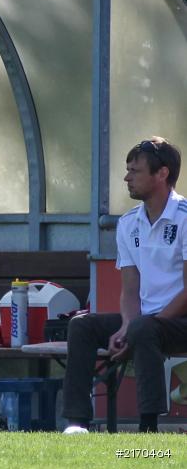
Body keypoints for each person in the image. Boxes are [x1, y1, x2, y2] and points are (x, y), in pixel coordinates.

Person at [62, 137, 187, 434]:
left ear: (162, 174)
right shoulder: (128, 223)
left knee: (144, 329)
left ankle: (148, 428)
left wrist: (139, 326)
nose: (126, 177)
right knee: (81, 326)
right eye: (127, 170)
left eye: (135, 171)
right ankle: (77, 423)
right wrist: (125, 325)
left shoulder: (184, 218)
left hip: (179, 321)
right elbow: (130, 288)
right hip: (144, 322)